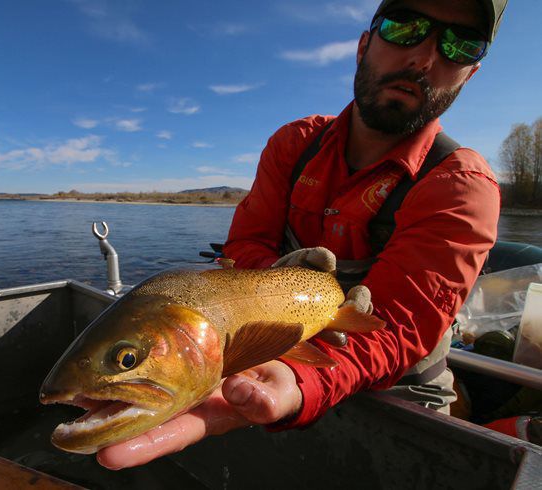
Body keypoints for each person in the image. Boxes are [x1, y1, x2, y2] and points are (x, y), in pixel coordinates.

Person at [97, 0, 507, 470]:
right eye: (405, 27)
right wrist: (277, 291)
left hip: (398, 384)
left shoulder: (462, 187)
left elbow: (397, 326)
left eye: (460, 44)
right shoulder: (293, 145)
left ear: (469, 74)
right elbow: (246, 246)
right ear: (363, 45)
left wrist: (297, 376)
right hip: (271, 355)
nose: (424, 58)